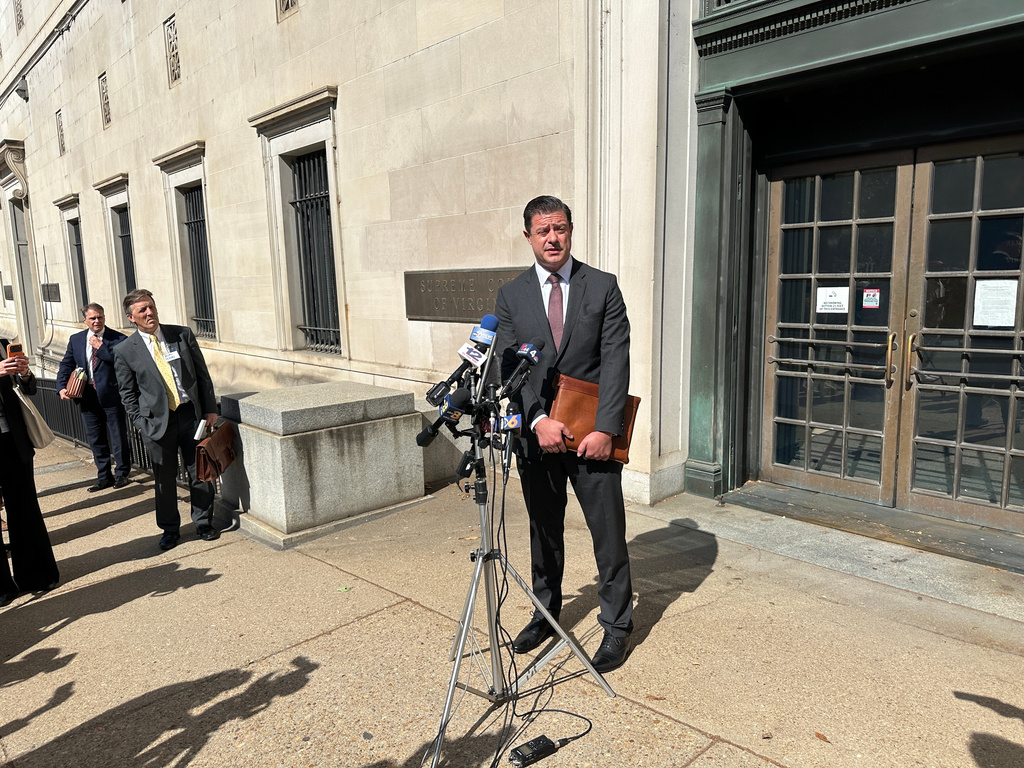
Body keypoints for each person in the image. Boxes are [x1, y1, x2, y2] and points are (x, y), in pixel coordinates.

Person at [493, 195, 634, 673]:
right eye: (542, 231)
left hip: (592, 436)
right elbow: (508, 363)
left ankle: (617, 627)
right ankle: (546, 612)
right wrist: (535, 419)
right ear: (528, 236)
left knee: (608, 534)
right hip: (539, 437)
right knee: (543, 531)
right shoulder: (511, 295)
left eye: (560, 229)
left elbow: (616, 360)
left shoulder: (603, 287)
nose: (552, 239)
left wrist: (605, 428)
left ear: (570, 230)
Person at [112, 289, 219, 551]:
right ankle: (170, 529)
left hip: (190, 416)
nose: (150, 313)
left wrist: (209, 409)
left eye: (151, 307)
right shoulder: (125, 350)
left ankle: (203, 522)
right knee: (165, 478)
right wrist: (140, 422)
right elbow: (127, 393)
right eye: (142, 310)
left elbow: (202, 375)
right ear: (131, 317)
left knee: (200, 472)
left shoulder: (181, 335)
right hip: (157, 423)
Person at [0, 340, 60, 606]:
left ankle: (35, 574)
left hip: (13, 440)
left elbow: (28, 389)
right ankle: (2, 587)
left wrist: (23, 373)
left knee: (24, 507)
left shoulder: (2, 345)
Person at [56, 303, 131, 491]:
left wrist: (101, 347)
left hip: (112, 396)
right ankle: (104, 476)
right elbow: (66, 364)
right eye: (93, 318)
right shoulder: (76, 339)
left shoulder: (118, 338)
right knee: (95, 438)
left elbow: (122, 362)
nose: (97, 321)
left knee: (118, 437)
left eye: (100, 317)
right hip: (87, 395)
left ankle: (122, 474)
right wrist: (61, 387)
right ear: (85, 320)